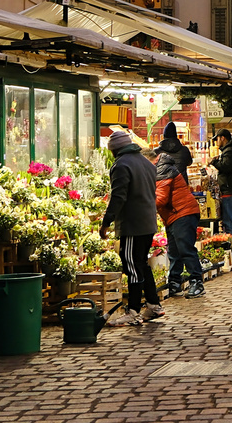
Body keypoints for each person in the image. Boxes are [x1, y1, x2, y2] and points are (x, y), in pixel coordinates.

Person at [100, 130, 164, 325]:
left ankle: (134, 310)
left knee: (131, 265)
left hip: (132, 224)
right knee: (141, 264)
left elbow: (119, 197)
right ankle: (153, 305)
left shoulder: (121, 165)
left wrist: (106, 222)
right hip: (147, 222)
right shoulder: (145, 162)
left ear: (114, 150)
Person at [155, 122, 204, 299]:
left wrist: (141, 204)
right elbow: (189, 162)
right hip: (175, 212)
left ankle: (196, 282)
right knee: (174, 250)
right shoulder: (183, 151)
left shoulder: (162, 167)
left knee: (185, 248)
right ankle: (174, 282)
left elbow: (160, 199)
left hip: (181, 211)